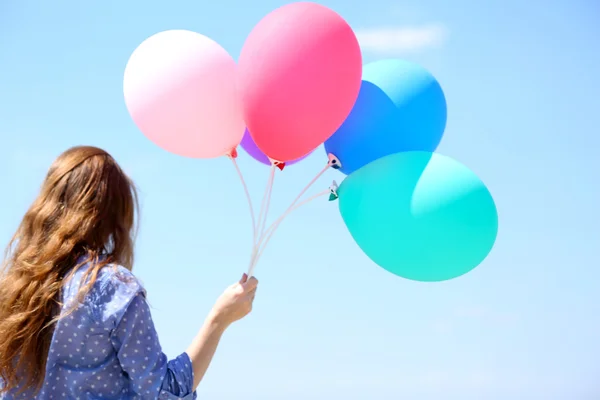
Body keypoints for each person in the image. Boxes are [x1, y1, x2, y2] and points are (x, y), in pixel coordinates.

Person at [0, 146, 258, 399]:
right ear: (113, 214)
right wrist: (219, 319)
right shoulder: (112, 288)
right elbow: (161, 392)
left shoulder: (10, 291)